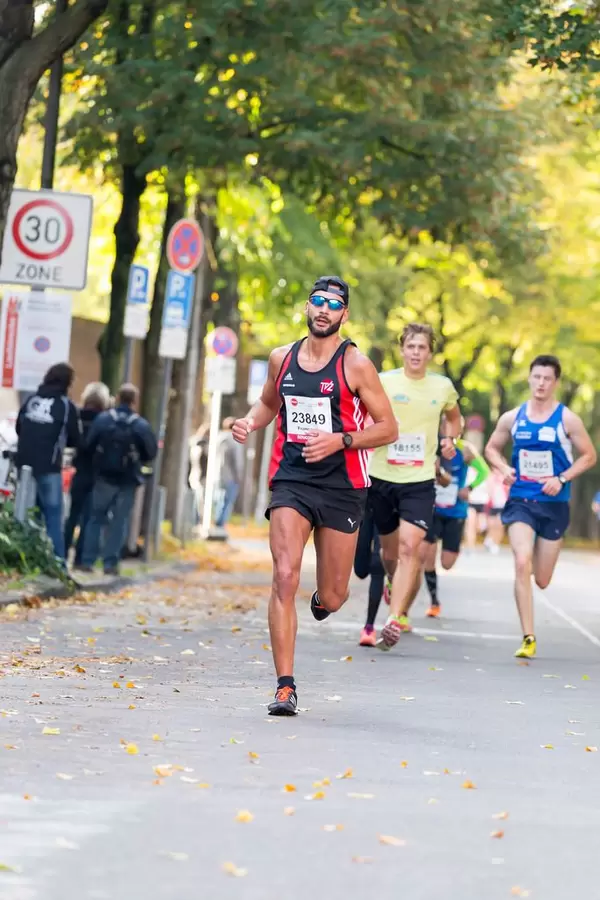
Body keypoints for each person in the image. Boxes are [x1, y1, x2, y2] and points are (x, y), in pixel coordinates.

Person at [232, 275, 397, 715]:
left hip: (344, 485)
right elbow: (268, 403)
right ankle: (285, 686)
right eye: (318, 301)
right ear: (307, 306)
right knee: (284, 574)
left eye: (334, 304)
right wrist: (249, 421)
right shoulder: (281, 358)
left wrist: (341, 440)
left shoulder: (356, 365)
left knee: (335, 594)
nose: (324, 309)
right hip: (294, 479)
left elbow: (388, 428)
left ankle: (323, 601)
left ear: (344, 315)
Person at [485, 355, 596, 659]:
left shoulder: (567, 419)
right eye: (536, 377)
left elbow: (589, 456)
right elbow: (491, 448)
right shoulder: (512, 417)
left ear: (555, 382)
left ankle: (535, 556)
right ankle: (528, 636)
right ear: (530, 378)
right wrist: (502, 467)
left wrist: (561, 478)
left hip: (554, 505)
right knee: (522, 563)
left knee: (542, 580)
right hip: (522, 499)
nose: (541, 384)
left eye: (547, 378)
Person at [367, 323, 462, 651]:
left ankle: (394, 619)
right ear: (403, 349)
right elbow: (365, 415)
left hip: (420, 479)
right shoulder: (384, 381)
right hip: (381, 475)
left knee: (411, 548)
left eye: (422, 347)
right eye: (411, 347)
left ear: (430, 352)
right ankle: (394, 585)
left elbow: (454, 418)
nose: (416, 353)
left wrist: (449, 439)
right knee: (390, 551)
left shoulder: (442, 386)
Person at [80, 383, 157, 575]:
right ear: (134, 401)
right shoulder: (140, 424)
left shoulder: (103, 420)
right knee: (119, 521)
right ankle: (110, 563)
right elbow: (151, 452)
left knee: (96, 518)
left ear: (117, 398)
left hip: (104, 477)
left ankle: (87, 560)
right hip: (127, 480)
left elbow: (89, 444)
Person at [15, 363, 81, 561]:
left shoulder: (31, 400)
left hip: (24, 465)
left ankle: (26, 558)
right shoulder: (66, 406)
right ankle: (56, 562)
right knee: (53, 517)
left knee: (28, 515)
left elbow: (20, 427)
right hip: (49, 466)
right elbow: (75, 438)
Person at [422, 437, 489, 617]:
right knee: (427, 555)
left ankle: (436, 594)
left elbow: (484, 471)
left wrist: (470, 488)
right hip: (433, 510)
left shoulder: (465, 449)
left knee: (447, 563)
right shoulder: (431, 445)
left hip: (456, 512)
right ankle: (434, 601)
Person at [64, 382, 111, 566]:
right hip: (97, 473)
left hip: (79, 470)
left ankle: (62, 551)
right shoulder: (105, 421)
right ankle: (81, 558)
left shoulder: (77, 416)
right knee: (89, 517)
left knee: (72, 515)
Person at [354, 504, 385, 646]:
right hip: (365, 503)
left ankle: (369, 627)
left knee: (377, 564)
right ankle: (391, 574)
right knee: (360, 570)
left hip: (387, 504)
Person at [215, 417, 244, 528]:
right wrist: (239, 477)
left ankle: (218, 521)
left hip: (216, 475)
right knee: (227, 501)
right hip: (231, 476)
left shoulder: (217, 438)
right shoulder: (235, 441)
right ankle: (220, 524)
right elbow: (237, 461)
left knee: (219, 499)